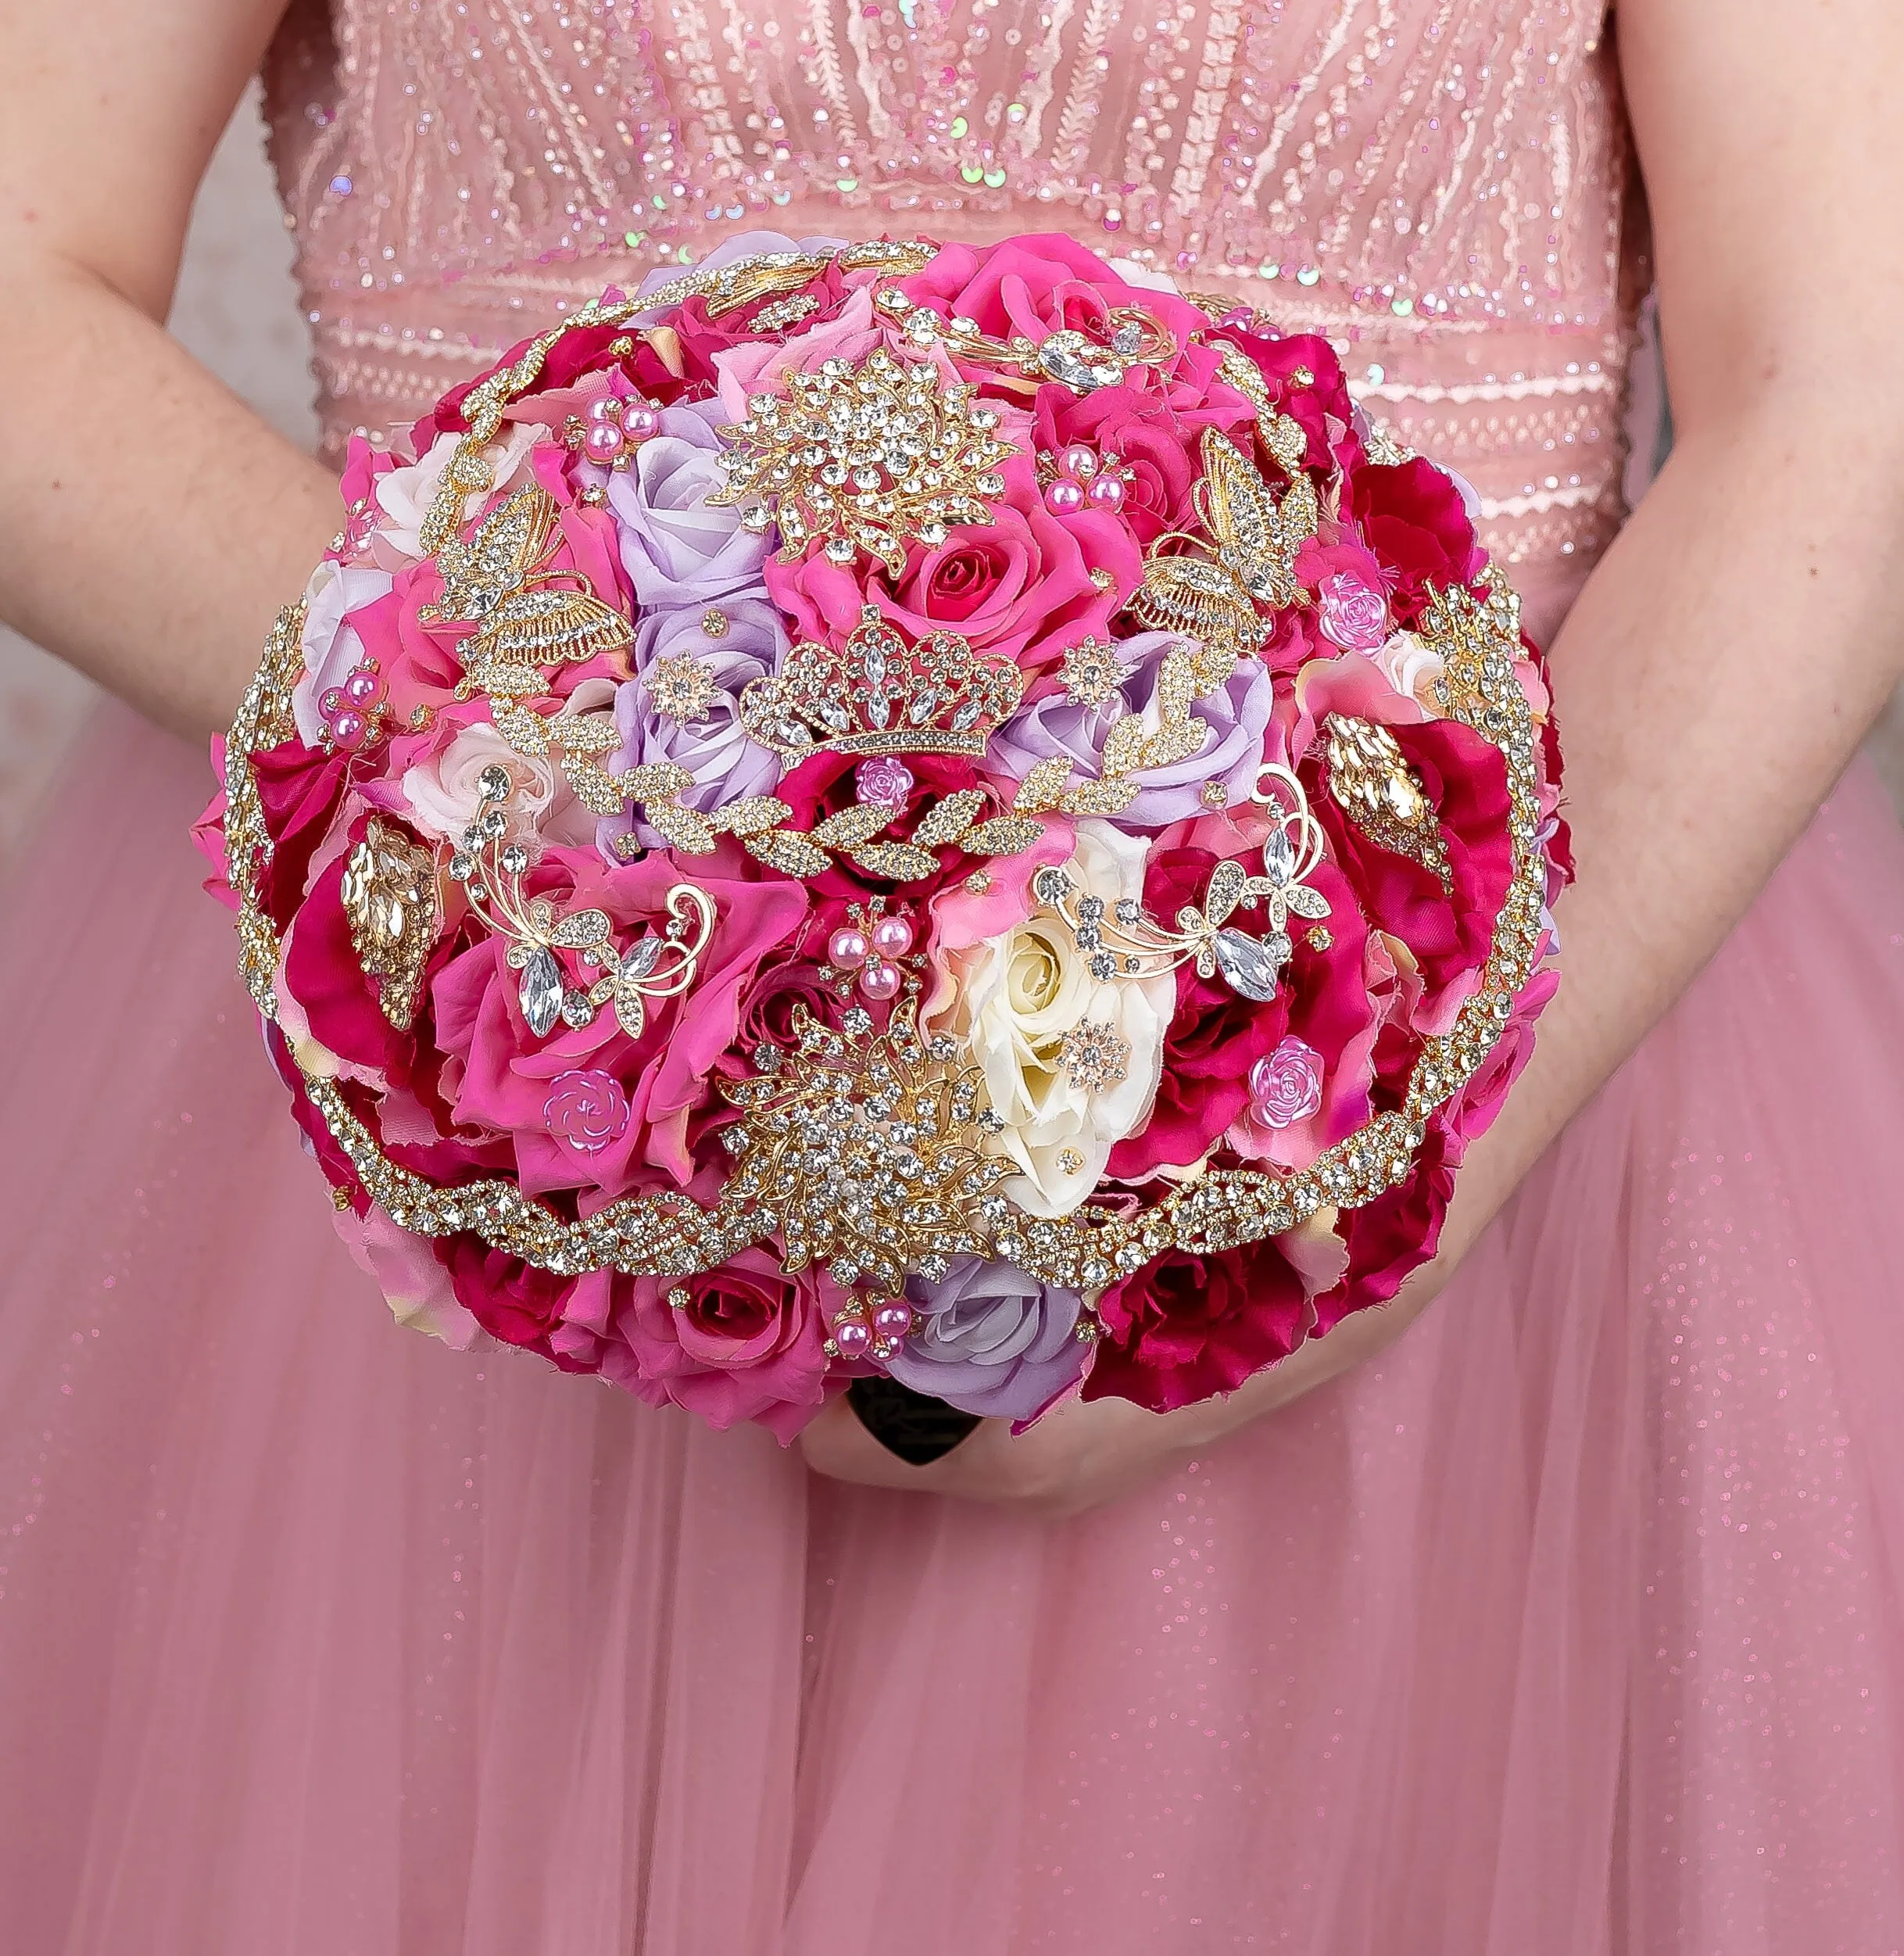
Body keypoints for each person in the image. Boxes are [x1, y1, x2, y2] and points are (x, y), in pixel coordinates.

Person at [3, 1, 1902, 1948]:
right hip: (508, 1121)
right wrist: (531, 782)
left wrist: (1372, 1196)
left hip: (1468, 1133)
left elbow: (1839, 381)